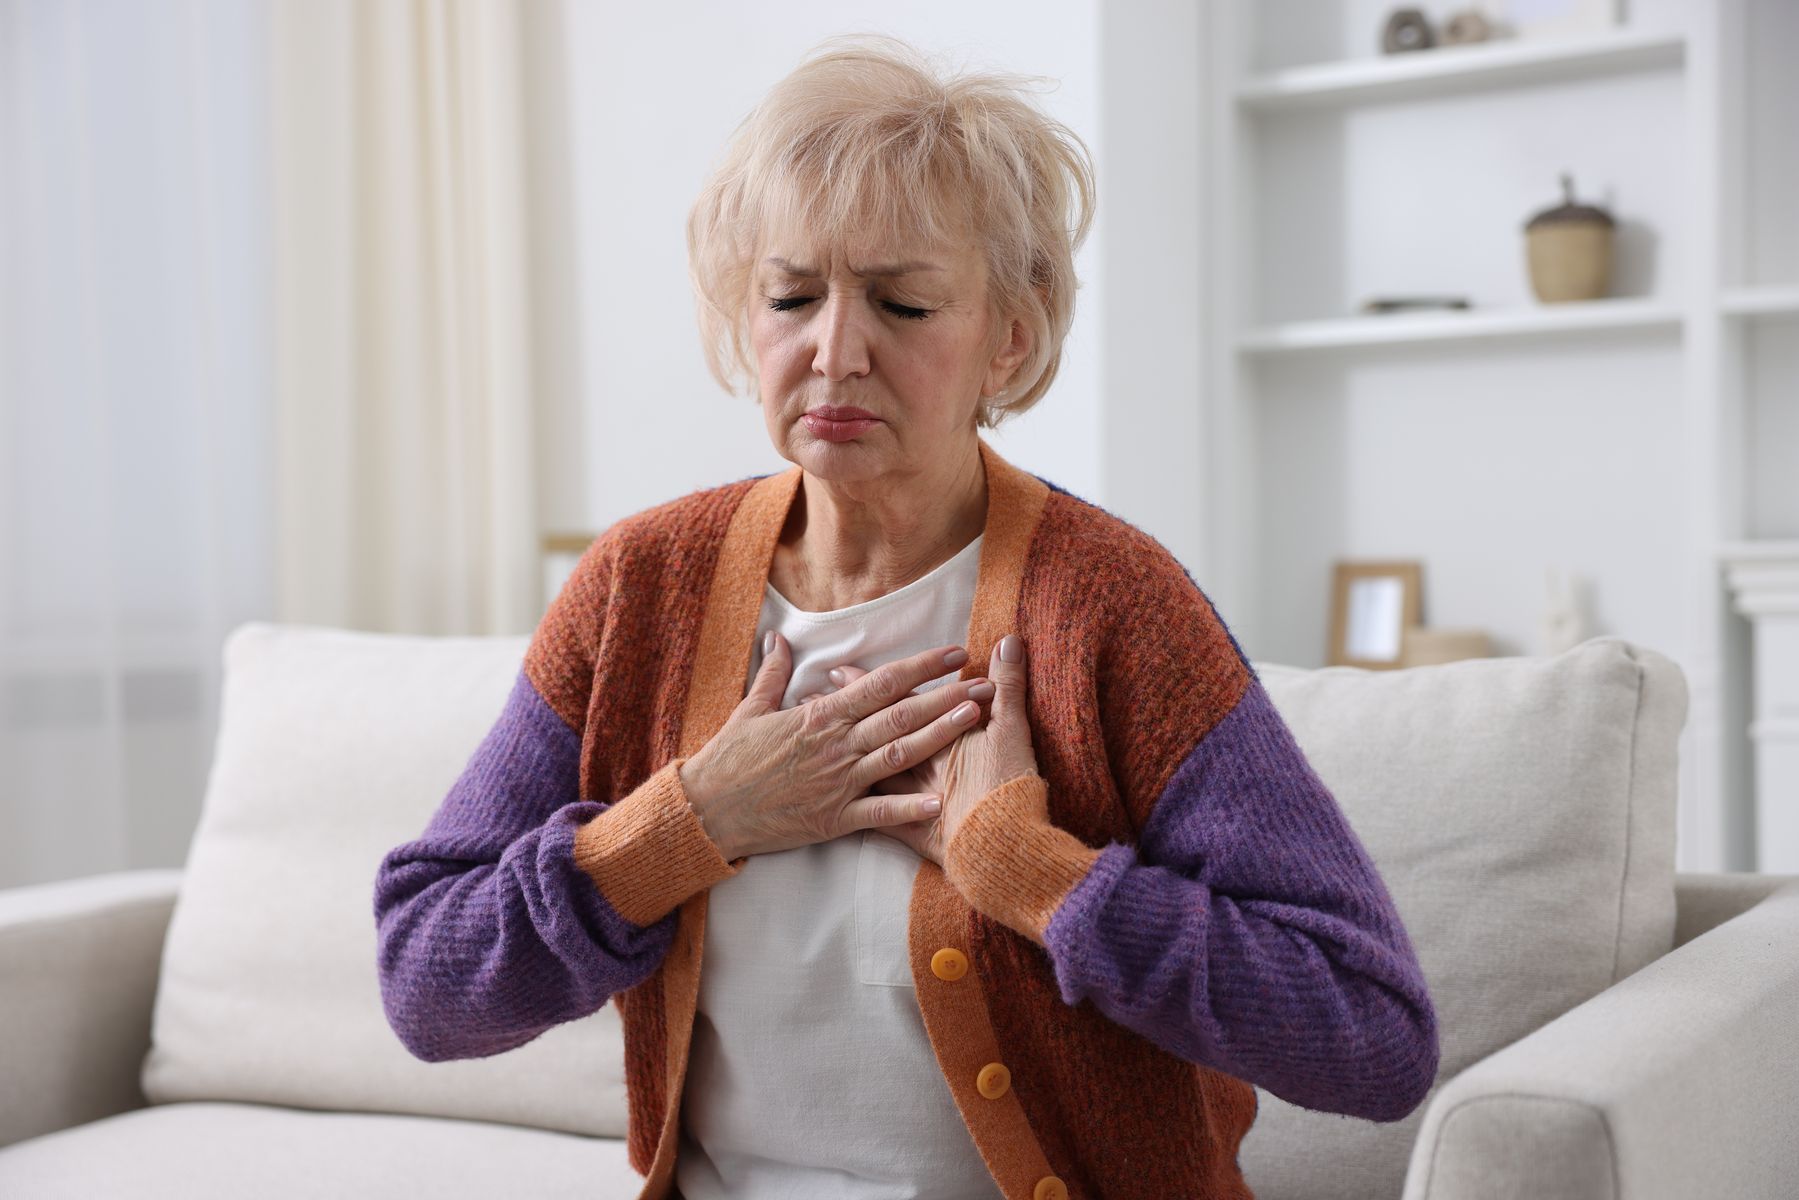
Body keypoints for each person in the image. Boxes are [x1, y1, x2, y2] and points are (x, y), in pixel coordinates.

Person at [373, 32, 1439, 1200]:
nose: (834, 350)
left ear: (1008, 339)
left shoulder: (1114, 607)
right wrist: (688, 823)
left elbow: (1370, 1036)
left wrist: (1030, 873)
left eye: (902, 302)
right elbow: (425, 984)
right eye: (789, 296)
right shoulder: (638, 586)